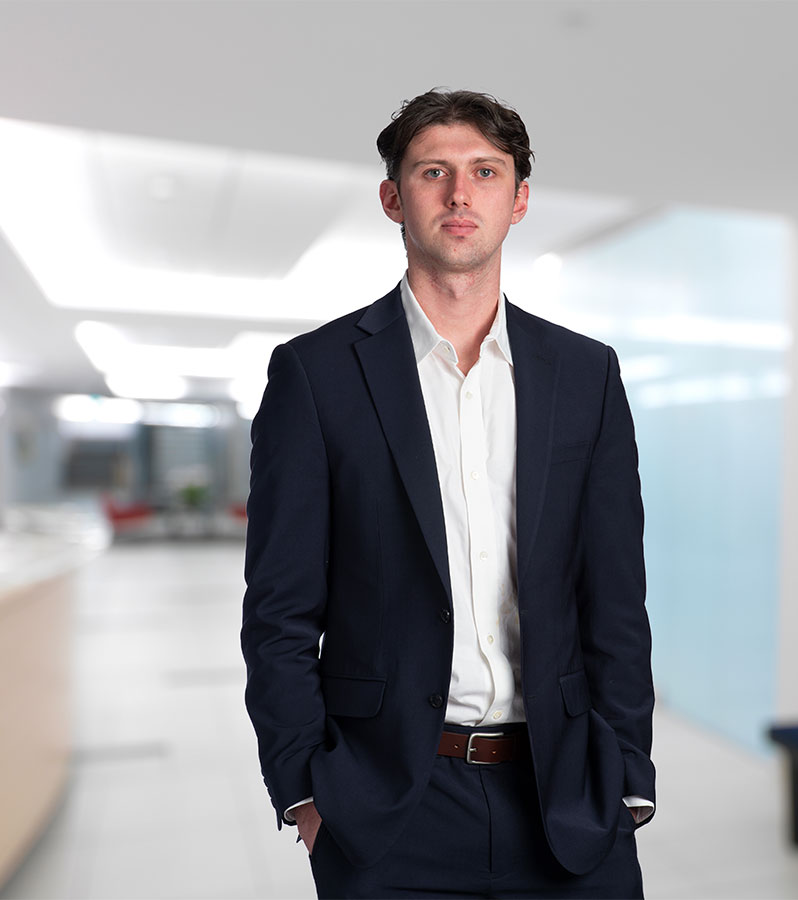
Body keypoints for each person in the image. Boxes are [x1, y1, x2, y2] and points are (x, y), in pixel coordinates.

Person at [241, 88, 655, 899]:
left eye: (485, 172)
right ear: (394, 197)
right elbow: (280, 610)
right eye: (433, 172)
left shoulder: (585, 375)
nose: (460, 194)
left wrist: (628, 775)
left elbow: (615, 595)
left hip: (565, 796)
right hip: (386, 806)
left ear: (519, 199)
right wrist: (305, 788)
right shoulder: (316, 376)